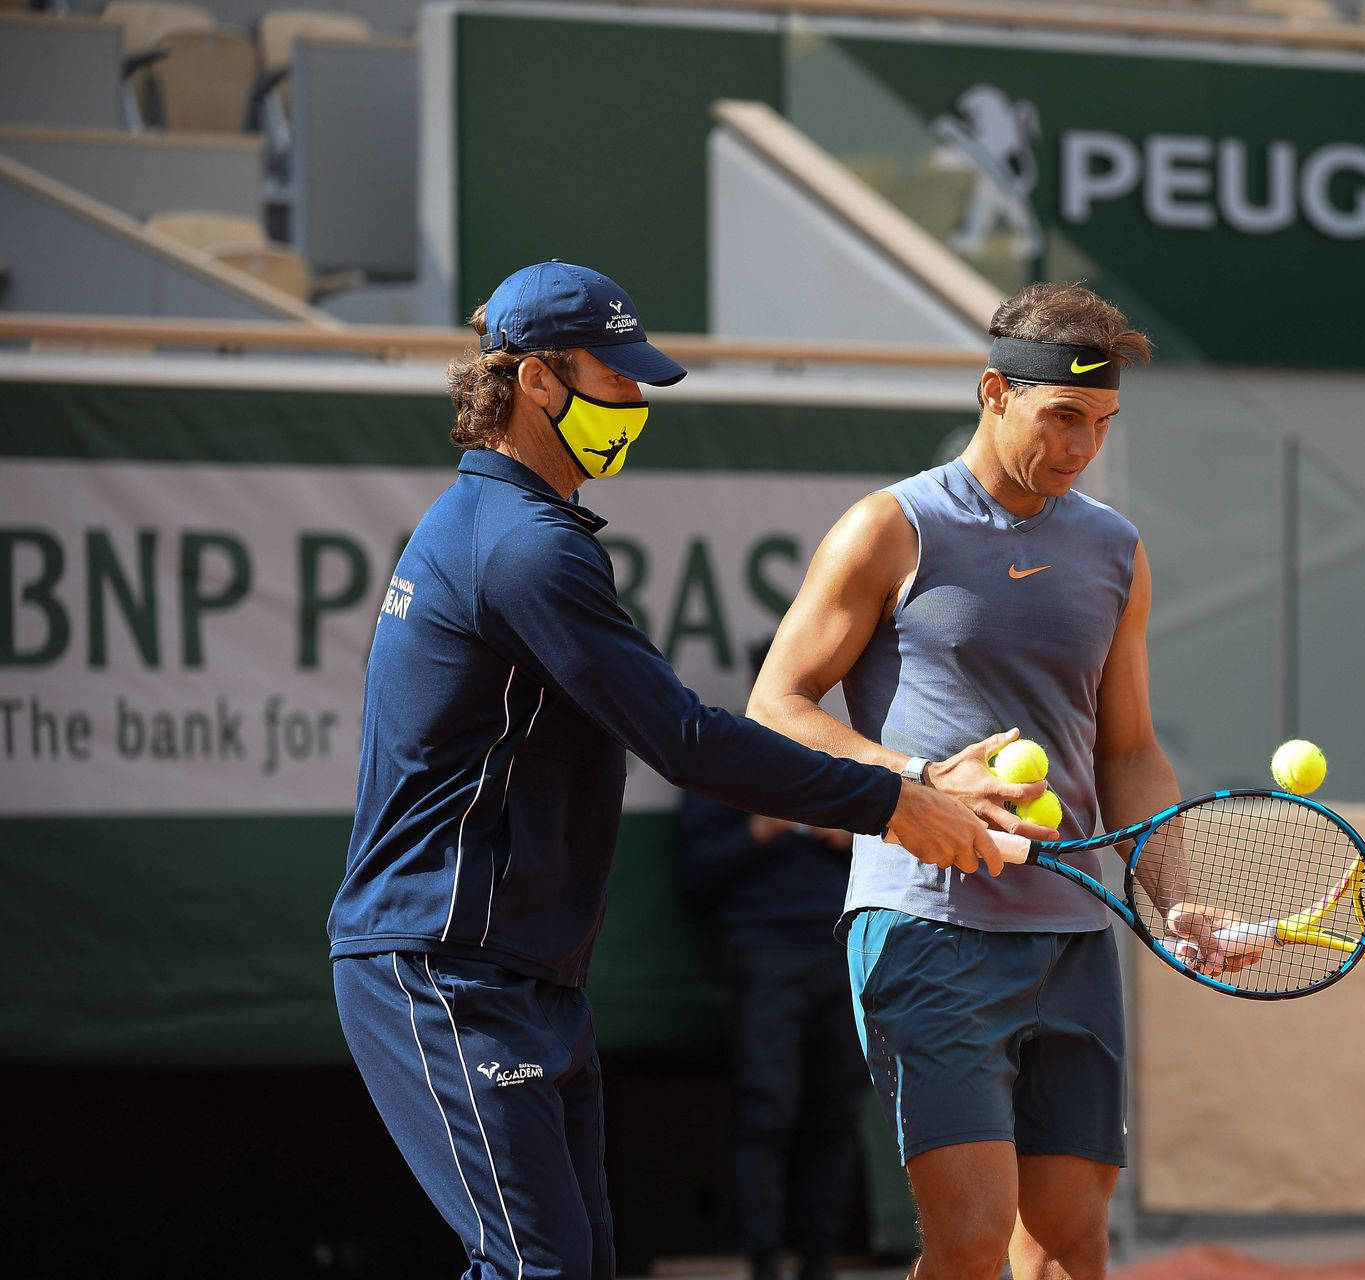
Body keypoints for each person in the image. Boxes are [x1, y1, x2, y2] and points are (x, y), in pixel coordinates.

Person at [326, 260, 1001, 1280]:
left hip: (524, 969)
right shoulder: (520, 550)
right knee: (537, 1267)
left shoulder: (511, 531)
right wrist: (894, 802)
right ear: (537, 380)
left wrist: (904, 785)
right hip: (443, 963)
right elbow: (682, 737)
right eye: (617, 378)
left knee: (575, 1266)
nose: (635, 403)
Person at [749, 282, 1210, 1280]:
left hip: (1074, 934)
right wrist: (915, 780)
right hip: (926, 926)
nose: (1083, 446)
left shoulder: (1115, 548)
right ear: (995, 392)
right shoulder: (890, 527)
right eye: (1063, 417)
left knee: (1068, 1244)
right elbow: (777, 705)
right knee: (968, 1239)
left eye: (1102, 423)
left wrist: (1171, 891)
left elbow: (1128, 749)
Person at [675, 664, 870, 1280]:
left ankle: (819, 1265)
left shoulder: (847, 766)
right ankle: (763, 1264)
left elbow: (907, 855)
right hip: (764, 959)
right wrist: (761, 830)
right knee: (768, 1111)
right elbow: (696, 876)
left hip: (841, 954)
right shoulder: (720, 765)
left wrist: (844, 836)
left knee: (834, 1114)